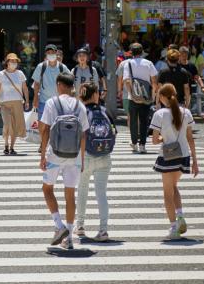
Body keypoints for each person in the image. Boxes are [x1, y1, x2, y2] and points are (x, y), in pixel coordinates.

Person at [38, 73, 89, 250]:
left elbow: (44, 130)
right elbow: (83, 134)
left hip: (55, 154)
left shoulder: (52, 103)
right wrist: (82, 159)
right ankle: (69, 237)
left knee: (47, 188)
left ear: (59, 85)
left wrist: (42, 155)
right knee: (70, 194)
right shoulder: (79, 105)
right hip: (74, 156)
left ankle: (58, 226)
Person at [150, 82, 199, 240]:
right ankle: (180, 217)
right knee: (174, 187)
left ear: (163, 97)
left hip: (168, 156)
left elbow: (155, 140)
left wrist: (165, 137)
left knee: (167, 193)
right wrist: (195, 161)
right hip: (184, 155)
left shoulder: (160, 114)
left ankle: (174, 227)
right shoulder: (186, 112)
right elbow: (191, 138)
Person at [75, 81, 114, 242]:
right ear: (96, 95)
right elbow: (114, 132)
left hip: (86, 156)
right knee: (101, 194)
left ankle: (81, 226)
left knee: (82, 191)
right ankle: (103, 229)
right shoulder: (105, 111)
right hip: (104, 156)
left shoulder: (80, 111)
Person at [121, 42, 159, 154]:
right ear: (142, 52)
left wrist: (131, 94)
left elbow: (126, 80)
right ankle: (142, 144)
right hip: (146, 96)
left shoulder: (128, 64)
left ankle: (134, 143)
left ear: (131, 52)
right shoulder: (149, 63)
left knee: (133, 121)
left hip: (133, 97)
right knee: (144, 121)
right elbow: (154, 80)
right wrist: (153, 95)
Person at [0, 52, 29, 156]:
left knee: (15, 125)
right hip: (4, 102)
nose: (14, 63)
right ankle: (5, 144)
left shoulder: (20, 74)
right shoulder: (1, 74)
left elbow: (25, 88)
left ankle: (12, 147)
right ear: (7, 62)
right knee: (7, 124)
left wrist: (27, 101)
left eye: (15, 61)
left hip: (18, 102)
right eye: (11, 61)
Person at [32, 44, 70, 121]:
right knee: (43, 128)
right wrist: (35, 98)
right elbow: (36, 84)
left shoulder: (62, 67)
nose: (50, 54)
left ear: (56, 53)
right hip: (43, 102)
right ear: (46, 54)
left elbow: (70, 83)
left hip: (59, 103)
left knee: (57, 127)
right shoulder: (41, 66)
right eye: (48, 53)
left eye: (52, 52)